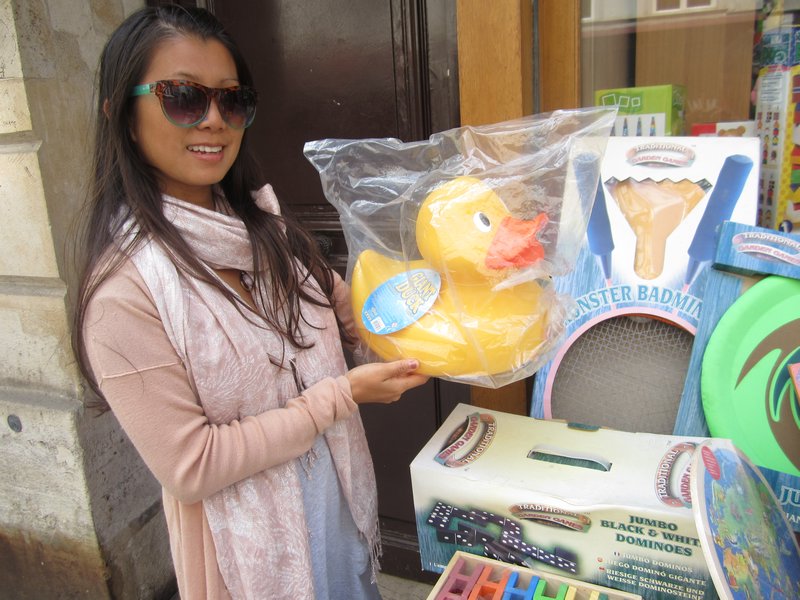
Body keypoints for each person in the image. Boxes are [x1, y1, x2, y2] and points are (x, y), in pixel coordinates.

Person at [71, 6, 429, 600]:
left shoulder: (268, 232)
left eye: (232, 101)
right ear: (122, 115)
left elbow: (354, 320)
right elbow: (192, 465)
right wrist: (340, 395)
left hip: (339, 503)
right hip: (250, 556)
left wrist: (437, 304)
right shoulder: (123, 296)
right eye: (183, 97)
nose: (214, 120)